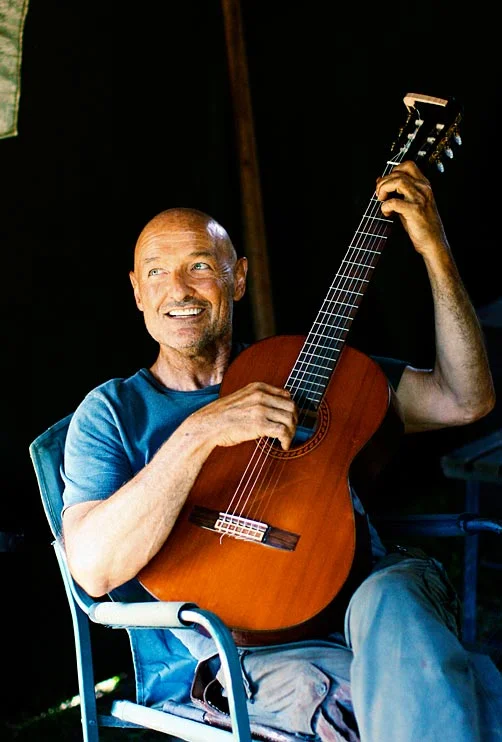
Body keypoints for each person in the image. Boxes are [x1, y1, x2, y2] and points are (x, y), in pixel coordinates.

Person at [61, 160, 501, 741]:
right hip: (244, 648)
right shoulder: (112, 412)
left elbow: (465, 400)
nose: (179, 290)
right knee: (444, 692)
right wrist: (200, 432)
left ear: (239, 278)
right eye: (158, 272)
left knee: (397, 599)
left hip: (370, 601)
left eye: (200, 266)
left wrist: (435, 250)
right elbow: (92, 567)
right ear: (137, 291)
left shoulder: (306, 369)